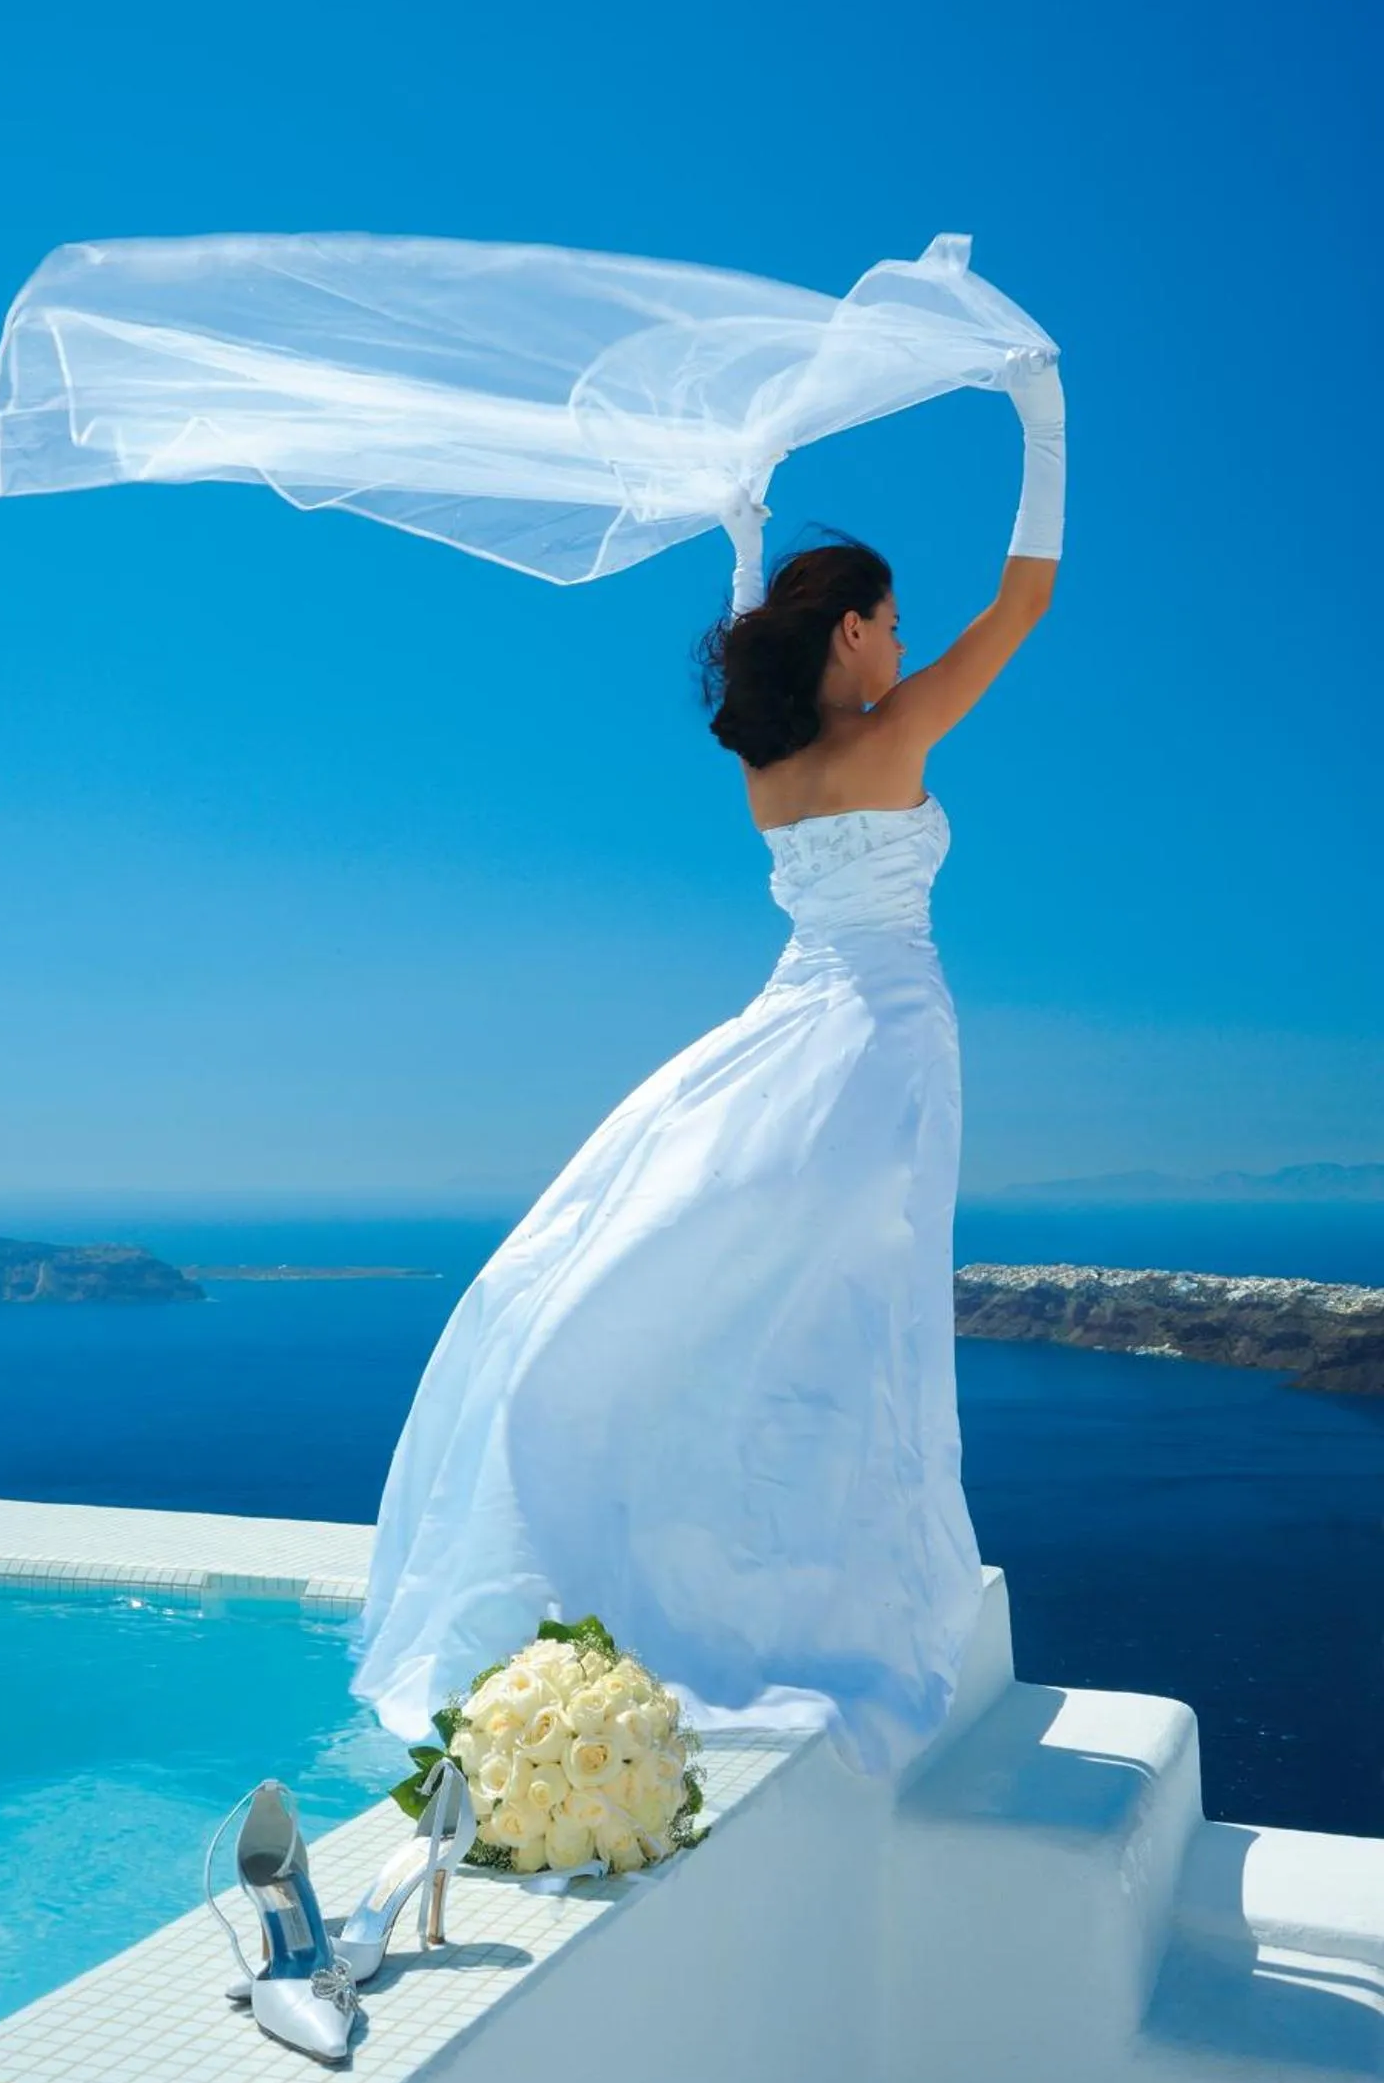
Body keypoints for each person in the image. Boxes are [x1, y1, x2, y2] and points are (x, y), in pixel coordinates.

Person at [351, 356, 1066, 1775]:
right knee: (862, 1313)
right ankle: (821, 1580)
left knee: (738, 1279)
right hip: (884, 1041)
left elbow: (758, 646)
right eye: (893, 624)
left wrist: (747, 534)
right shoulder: (892, 735)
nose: (905, 645)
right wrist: (1040, 413)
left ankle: (709, 1545)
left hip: (794, 1024)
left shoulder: (770, 768)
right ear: (854, 631)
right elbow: (1028, 601)